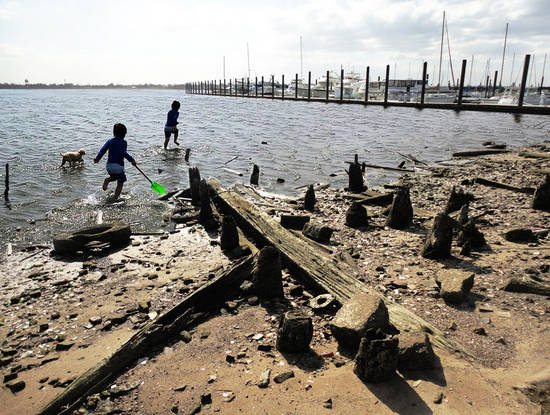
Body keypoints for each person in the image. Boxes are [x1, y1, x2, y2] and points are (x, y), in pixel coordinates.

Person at [94, 123, 136, 200]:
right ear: (124, 134)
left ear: (114, 132)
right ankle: (115, 198)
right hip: (118, 166)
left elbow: (102, 150)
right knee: (121, 181)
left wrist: (97, 159)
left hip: (109, 166)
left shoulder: (109, 141)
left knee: (115, 177)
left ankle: (108, 180)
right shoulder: (124, 142)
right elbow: (123, 153)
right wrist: (131, 160)